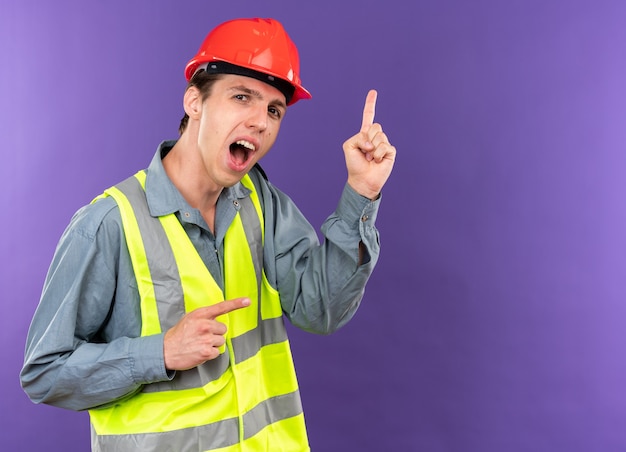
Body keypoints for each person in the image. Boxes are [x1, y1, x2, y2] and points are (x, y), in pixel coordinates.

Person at [20, 17, 396, 451]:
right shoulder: (109, 224)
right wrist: (159, 353)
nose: (260, 122)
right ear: (194, 102)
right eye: (242, 98)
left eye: (274, 110)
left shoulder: (260, 201)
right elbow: (44, 373)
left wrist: (361, 193)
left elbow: (321, 310)